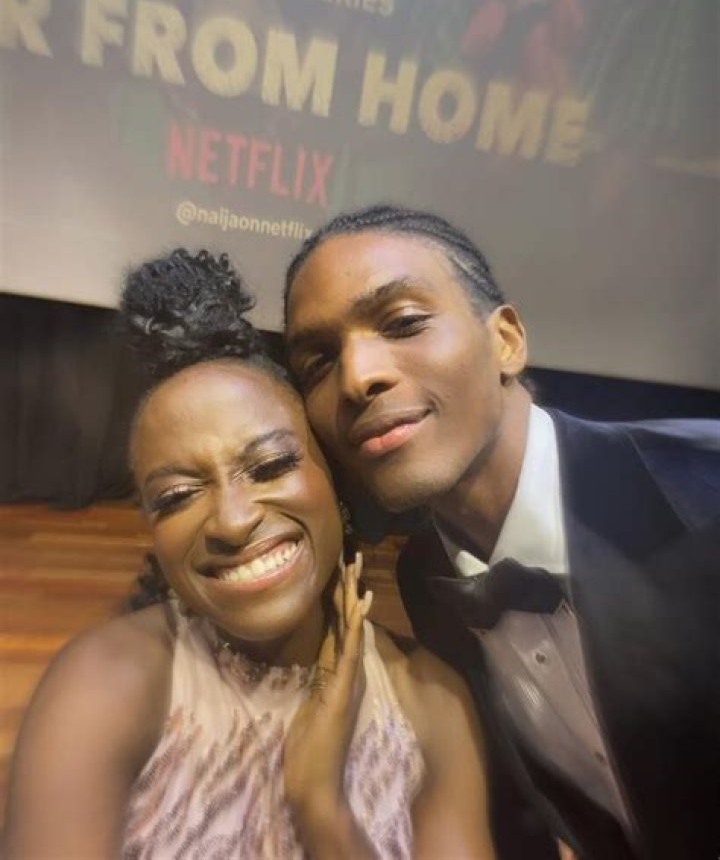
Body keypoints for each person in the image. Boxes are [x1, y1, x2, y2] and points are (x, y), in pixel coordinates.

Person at [4, 250, 496, 860]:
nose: (233, 521)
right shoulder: (109, 682)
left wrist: (321, 807)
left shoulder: (430, 703)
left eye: (270, 466)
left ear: (336, 485)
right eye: (178, 496)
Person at [283, 204, 720, 860]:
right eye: (319, 362)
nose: (356, 377)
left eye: (403, 323)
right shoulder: (425, 576)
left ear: (507, 341)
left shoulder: (703, 486)